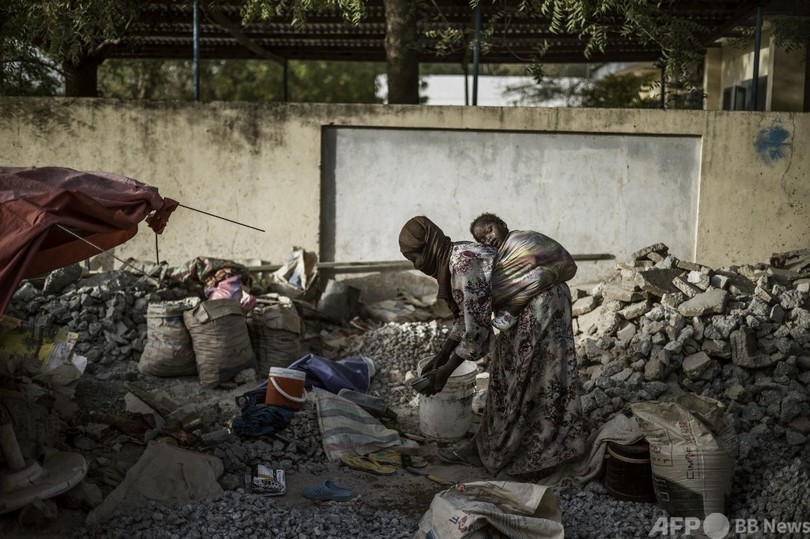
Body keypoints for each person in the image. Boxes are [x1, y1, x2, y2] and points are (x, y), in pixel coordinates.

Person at [399, 215, 585, 478]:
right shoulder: (453, 258)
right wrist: (440, 357)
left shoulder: (463, 265)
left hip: (543, 304)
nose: (416, 265)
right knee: (504, 376)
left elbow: (477, 331)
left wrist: (446, 372)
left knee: (533, 378)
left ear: (429, 246)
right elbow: (467, 315)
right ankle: (490, 445)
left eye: (415, 257)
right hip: (524, 308)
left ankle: (540, 454)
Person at [470, 212, 578, 331]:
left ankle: (514, 309)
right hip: (518, 320)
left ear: (503, 224)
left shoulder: (524, 239)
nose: (488, 238)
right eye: (483, 239)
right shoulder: (494, 260)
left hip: (548, 302)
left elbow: (555, 259)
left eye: (489, 230)